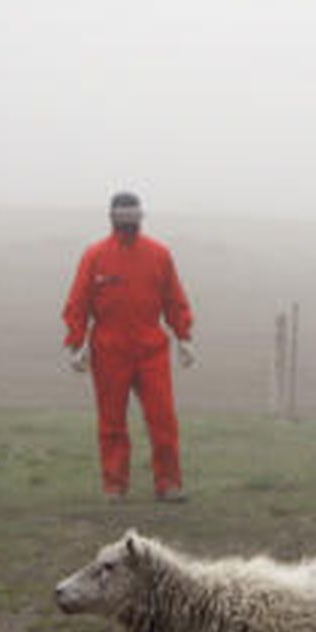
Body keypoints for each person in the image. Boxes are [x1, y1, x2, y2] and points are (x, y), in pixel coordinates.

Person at [62, 192, 197, 502]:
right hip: (109, 349)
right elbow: (78, 302)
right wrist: (76, 343)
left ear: (141, 218)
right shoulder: (94, 256)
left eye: (133, 218)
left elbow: (173, 299)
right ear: (111, 218)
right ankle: (114, 486)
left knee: (163, 419)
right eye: (122, 218)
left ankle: (169, 484)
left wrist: (183, 337)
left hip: (151, 348)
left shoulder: (159, 255)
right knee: (111, 422)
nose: (128, 224)